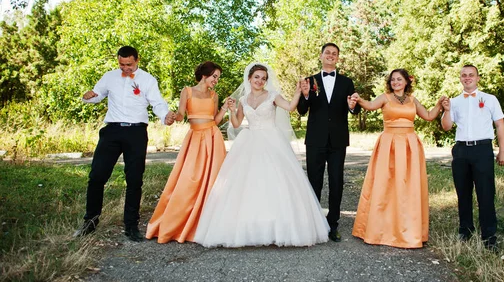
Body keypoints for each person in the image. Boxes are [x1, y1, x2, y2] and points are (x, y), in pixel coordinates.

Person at [193, 63, 329, 247]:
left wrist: (298, 92)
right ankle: (249, 226)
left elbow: (289, 107)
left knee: (276, 181)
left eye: (263, 78)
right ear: (249, 78)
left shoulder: (272, 96)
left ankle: (279, 226)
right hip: (249, 141)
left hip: (272, 140)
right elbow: (236, 124)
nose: (260, 81)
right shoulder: (243, 100)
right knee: (246, 184)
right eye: (256, 77)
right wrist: (231, 111)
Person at [73, 46, 176, 242]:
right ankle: (90, 222)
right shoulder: (110, 76)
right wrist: (89, 97)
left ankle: (131, 226)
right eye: (121, 64)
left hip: (136, 132)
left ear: (137, 60)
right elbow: (97, 94)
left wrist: (166, 116)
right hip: (111, 131)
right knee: (96, 176)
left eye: (129, 64)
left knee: (135, 179)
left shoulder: (147, 79)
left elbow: (158, 103)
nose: (125, 68)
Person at [350, 69, 446, 248]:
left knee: (408, 187)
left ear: (406, 82)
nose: (395, 82)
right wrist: (359, 99)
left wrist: (439, 104)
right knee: (384, 185)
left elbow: (429, 116)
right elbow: (370, 105)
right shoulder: (384, 97)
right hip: (389, 145)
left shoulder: (412, 100)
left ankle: (407, 230)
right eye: (393, 79)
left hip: (410, 145)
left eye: (399, 79)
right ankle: (380, 230)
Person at [145, 61, 229, 243]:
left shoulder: (214, 95)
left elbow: (215, 120)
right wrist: (174, 116)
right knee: (188, 180)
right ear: (205, 75)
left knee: (213, 180)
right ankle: (181, 223)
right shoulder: (187, 91)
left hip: (213, 138)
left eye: (218, 78)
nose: (216, 80)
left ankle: (209, 225)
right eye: (215, 76)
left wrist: (224, 108)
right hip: (195, 139)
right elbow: (182, 115)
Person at [441, 65, 504, 250]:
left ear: (478, 78)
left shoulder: (489, 99)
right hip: (461, 150)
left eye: (471, 75)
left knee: (486, 193)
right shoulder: (454, 101)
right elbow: (446, 127)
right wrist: (446, 110)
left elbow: (500, 126)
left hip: (482, 149)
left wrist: (502, 151)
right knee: (463, 193)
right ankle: (465, 230)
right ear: (460, 79)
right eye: (464, 75)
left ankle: (489, 236)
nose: (467, 78)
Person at [298, 43, 359, 242]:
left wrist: (352, 107)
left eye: (334, 54)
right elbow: (301, 110)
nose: (331, 56)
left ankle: (333, 224)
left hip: (338, 140)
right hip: (315, 139)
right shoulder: (309, 80)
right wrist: (306, 94)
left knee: (336, 182)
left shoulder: (347, 82)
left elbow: (354, 108)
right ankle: (314, 223)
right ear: (321, 56)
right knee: (314, 181)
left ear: (338, 58)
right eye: (327, 53)